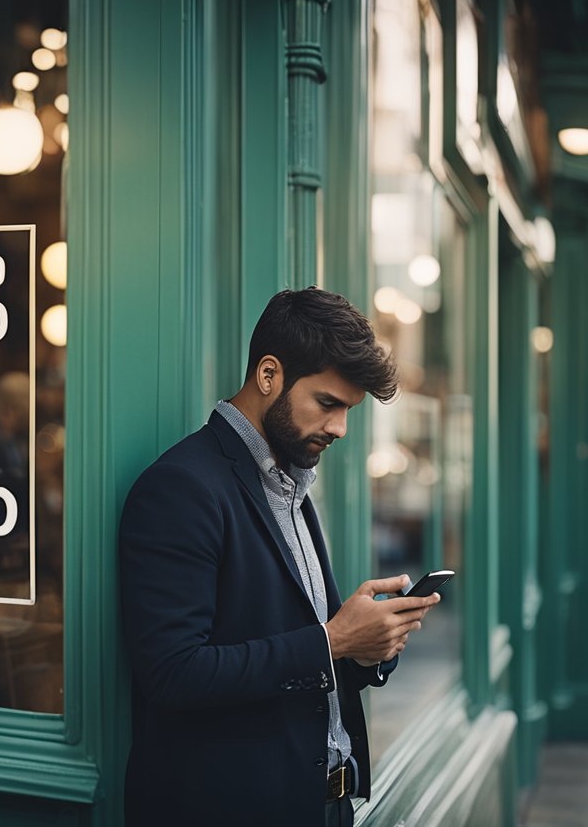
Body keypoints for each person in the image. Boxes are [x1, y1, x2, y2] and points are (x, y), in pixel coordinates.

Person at [118, 288, 440, 826]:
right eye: (328, 403)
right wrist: (333, 639)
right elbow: (172, 674)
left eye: (348, 411)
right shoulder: (181, 487)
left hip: (327, 802)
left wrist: (366, 648)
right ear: (268, 375)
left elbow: (297, 657)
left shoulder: (291, 483)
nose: (339, 428)